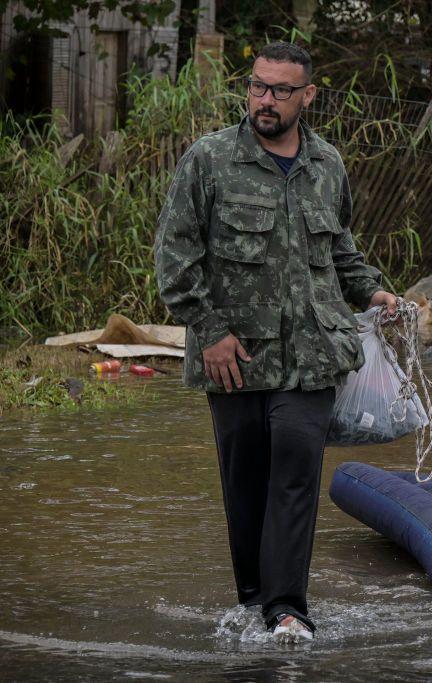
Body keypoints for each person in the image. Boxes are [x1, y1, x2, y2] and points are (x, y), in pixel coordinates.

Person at [155, 42, 398, 641]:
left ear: (307, 97)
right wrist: (210, 334)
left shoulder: (328, 165)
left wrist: (374, 294)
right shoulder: (209, 160)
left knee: (296, 465)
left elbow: (340, 252)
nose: (266, 100)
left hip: (314, 355)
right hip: (236, 358)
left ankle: (288, 609)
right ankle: (254, 599)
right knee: (245, 482)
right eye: (259, 87)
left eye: (281, 91)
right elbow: (174, 258)